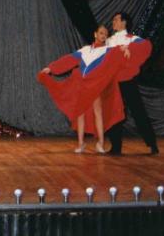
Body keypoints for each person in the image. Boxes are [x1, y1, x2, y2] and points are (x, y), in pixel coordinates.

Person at [39, 25, 125, 153]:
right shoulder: (85, 50)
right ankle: (80, 144)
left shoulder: (108, 50)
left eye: (105, 34)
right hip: (82, 86)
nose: (103, 36)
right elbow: (68, 60)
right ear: (95, 34)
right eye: (101, 33)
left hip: (95, 86)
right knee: (80, 114)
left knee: (97, 112)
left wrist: (124, 48)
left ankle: (100, 143)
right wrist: (51, 68)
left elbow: (119, 51)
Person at [105, 12, 158, 156]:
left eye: (116, 19)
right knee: (114, 113)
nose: (113, 22)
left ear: (124, 23)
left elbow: (146, 46)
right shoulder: (109, 41)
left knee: (138, 111)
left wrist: (129, 48)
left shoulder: (133, 39)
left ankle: (152, 143)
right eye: (113, 20)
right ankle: (116, 146)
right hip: (113, 83)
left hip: (128, 81)